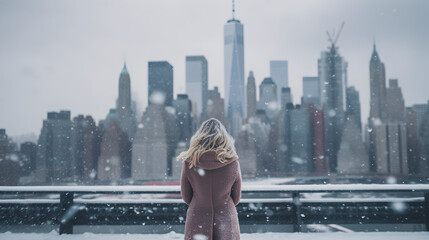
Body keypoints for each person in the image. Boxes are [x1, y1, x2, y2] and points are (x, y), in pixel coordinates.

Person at [178, 118, 241, 240]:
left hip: (198, 218)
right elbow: (236, 198)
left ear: (199, 137)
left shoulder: (190, 162)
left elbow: (186, 197)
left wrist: (201, 201)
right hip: (226, 218)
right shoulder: (233, 163)